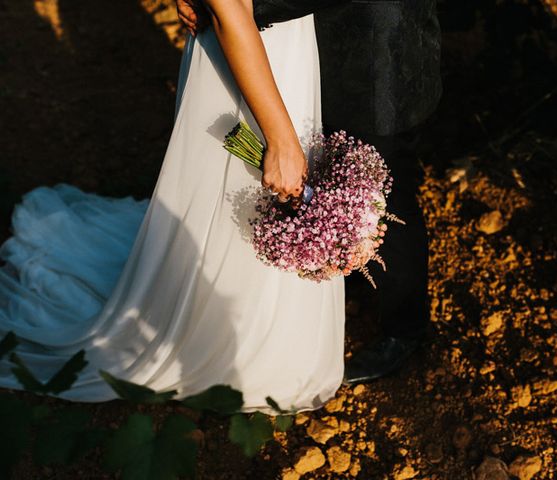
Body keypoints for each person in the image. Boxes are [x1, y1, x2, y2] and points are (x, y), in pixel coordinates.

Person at [0, 0, 344, 414]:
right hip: (251, 63)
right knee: (247, 207)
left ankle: (276, 336)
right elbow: (231, 12)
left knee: (262, 210)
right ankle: (235, 346)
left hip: (279, 47)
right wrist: (281, 140)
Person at [179, 0, 443, 384]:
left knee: (384, 186)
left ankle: (405, 327)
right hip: (300, 49)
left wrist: (233, 8)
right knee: (328, 175)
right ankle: (339, 272)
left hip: (372, 44)